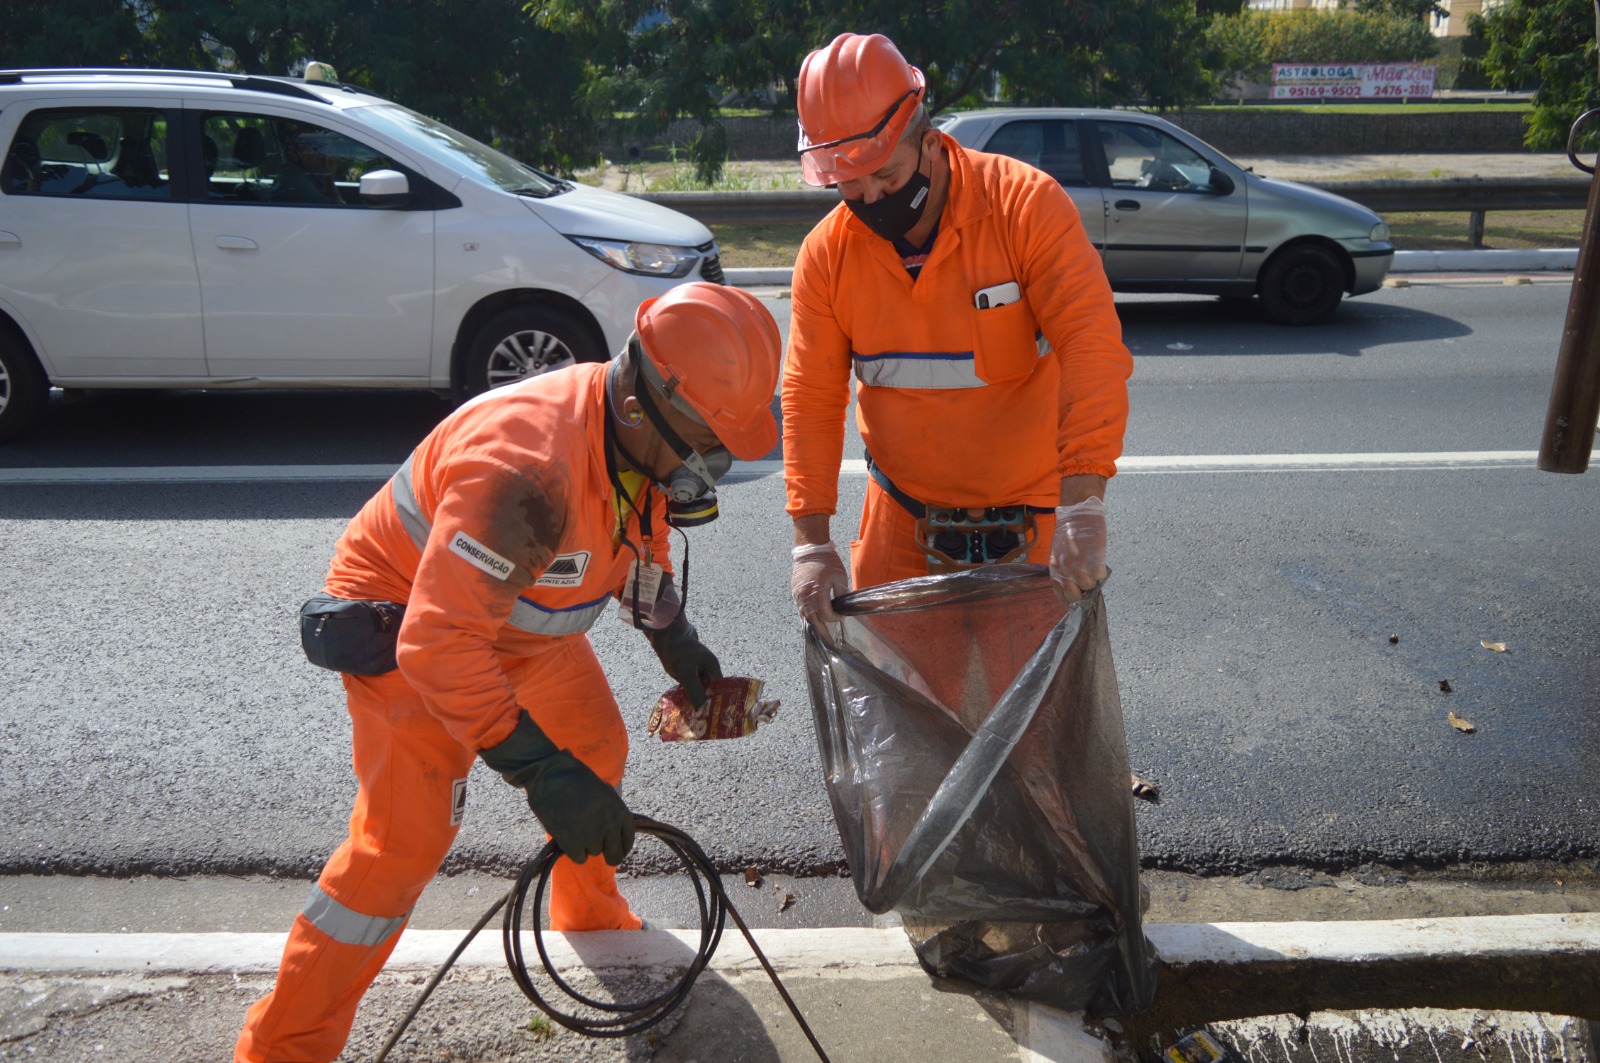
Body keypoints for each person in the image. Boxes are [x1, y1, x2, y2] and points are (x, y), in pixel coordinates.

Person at [235, 281, 781, 1062]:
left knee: (595, 743)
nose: (713, 463)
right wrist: (536, 768)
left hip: (514, 618)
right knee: (402, 845)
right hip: (409, 626)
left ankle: (588, 915)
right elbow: (440, 645)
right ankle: (282, 1046)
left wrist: (674, 636)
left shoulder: (633, 441)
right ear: (645, 401)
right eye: (709, 439)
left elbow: (636, 535)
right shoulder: (526, 473)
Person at [783, 33, 1133, 625]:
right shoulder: (828, 255)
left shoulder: (1025, 208)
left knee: (1029, 710)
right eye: (848, 184)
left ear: (928, 139)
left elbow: (1090, 345)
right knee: (903, 708)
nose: (869, 198)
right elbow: (811, 400)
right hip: (901, 527)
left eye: (885, 177)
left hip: (1031, 527)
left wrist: (1083, 505)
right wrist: (811, 543)